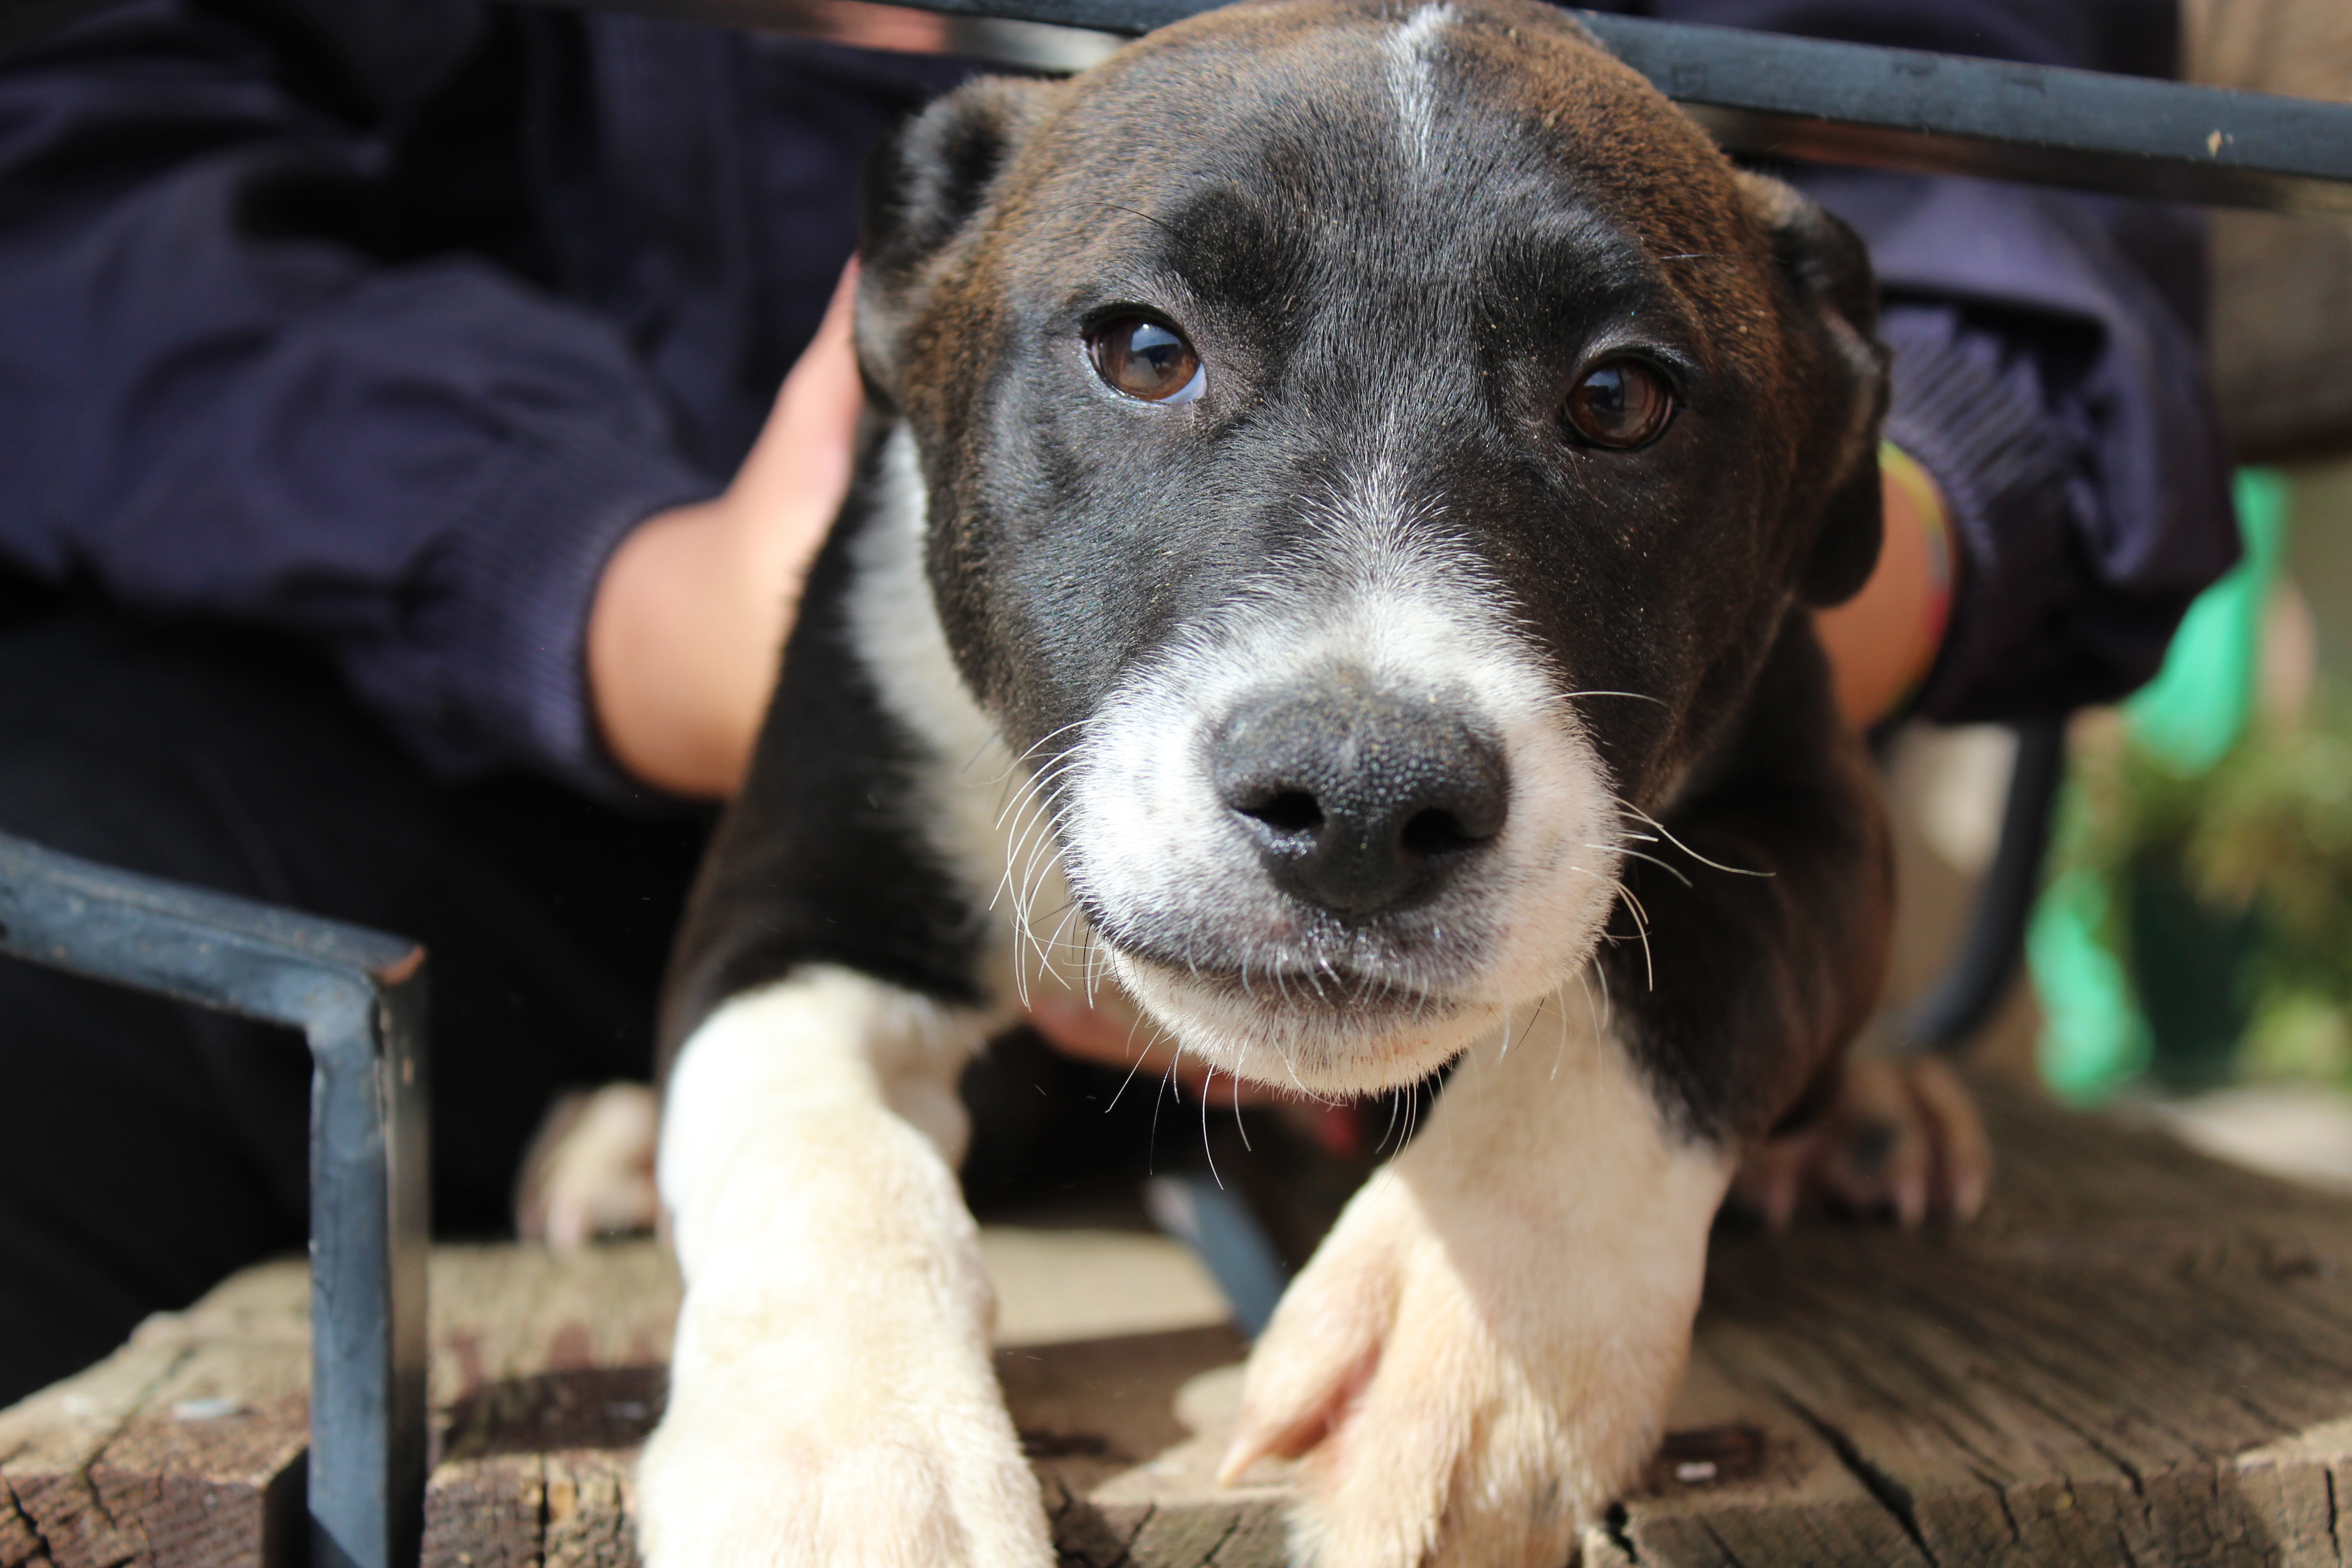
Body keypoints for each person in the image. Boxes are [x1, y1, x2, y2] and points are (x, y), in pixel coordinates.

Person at [0, 0, 2234, 1406]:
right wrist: (615, 588)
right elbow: (78, 156)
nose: (1356, 737)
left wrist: (1830, 570)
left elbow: (2009, 252)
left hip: (1605, 837)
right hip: (422, 737)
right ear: (909, 314)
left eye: (1618, 391)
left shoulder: (1769, 461)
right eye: (1152, 353)